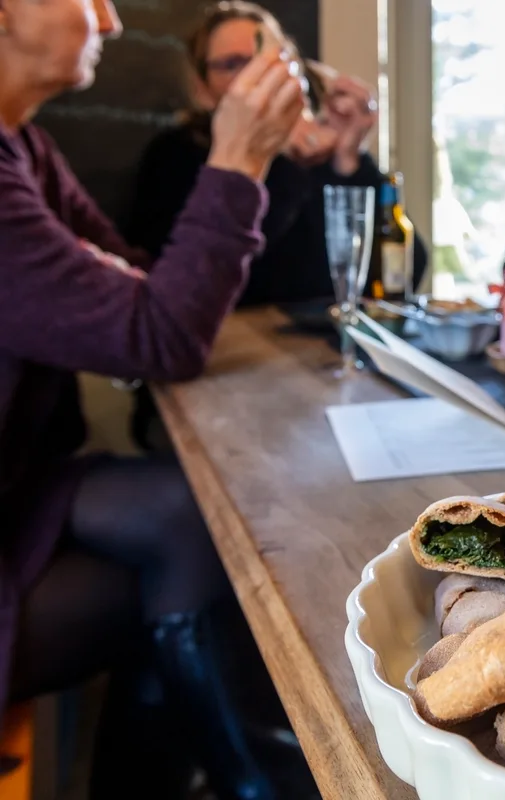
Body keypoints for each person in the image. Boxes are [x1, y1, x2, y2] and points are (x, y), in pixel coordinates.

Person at [0, 0, 305, 797]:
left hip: (22, 488)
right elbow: (161, 332)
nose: (109, 19)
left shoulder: (25, 147)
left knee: (195, 514)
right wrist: (237, 160)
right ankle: (252, 778)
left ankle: (212, 775)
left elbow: (140, 281)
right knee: (187, 580)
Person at [123, 1, 428, 306]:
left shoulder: (325, 154)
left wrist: (350, 161)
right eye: (233, 64)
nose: (257, 74)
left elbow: (405, 272)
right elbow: (227, 281)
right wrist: (280, 159)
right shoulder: (175, 157)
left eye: (271, 60)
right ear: (202, 87)